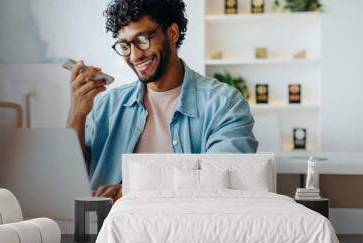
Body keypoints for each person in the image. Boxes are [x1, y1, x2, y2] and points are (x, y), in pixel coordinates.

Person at [66, 0, 258, 202]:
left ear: (173, 33)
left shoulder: (224, 104)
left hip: (188, 230)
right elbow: (69, 178)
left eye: (142, 39)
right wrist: (77, 114)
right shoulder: (109, 105)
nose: (134, 55)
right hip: (109, 230)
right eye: (125, 45)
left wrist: (137, 191)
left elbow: (225, 181)